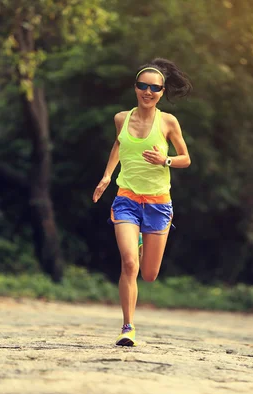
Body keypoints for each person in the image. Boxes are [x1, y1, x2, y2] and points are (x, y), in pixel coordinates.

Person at [92, 58, 192, 346]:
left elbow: (186, 158)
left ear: (162, 91)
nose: (148, 92)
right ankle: (127, 327)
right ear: (135, 87)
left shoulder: (168, 122)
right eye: (142, 86)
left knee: (148, 274)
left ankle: (141, 242)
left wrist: (166, 160)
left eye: (155, 88)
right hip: (127, 199)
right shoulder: (121, 118)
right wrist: (107, 175)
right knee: (129, 264)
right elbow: (119, 144)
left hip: (159, 204)